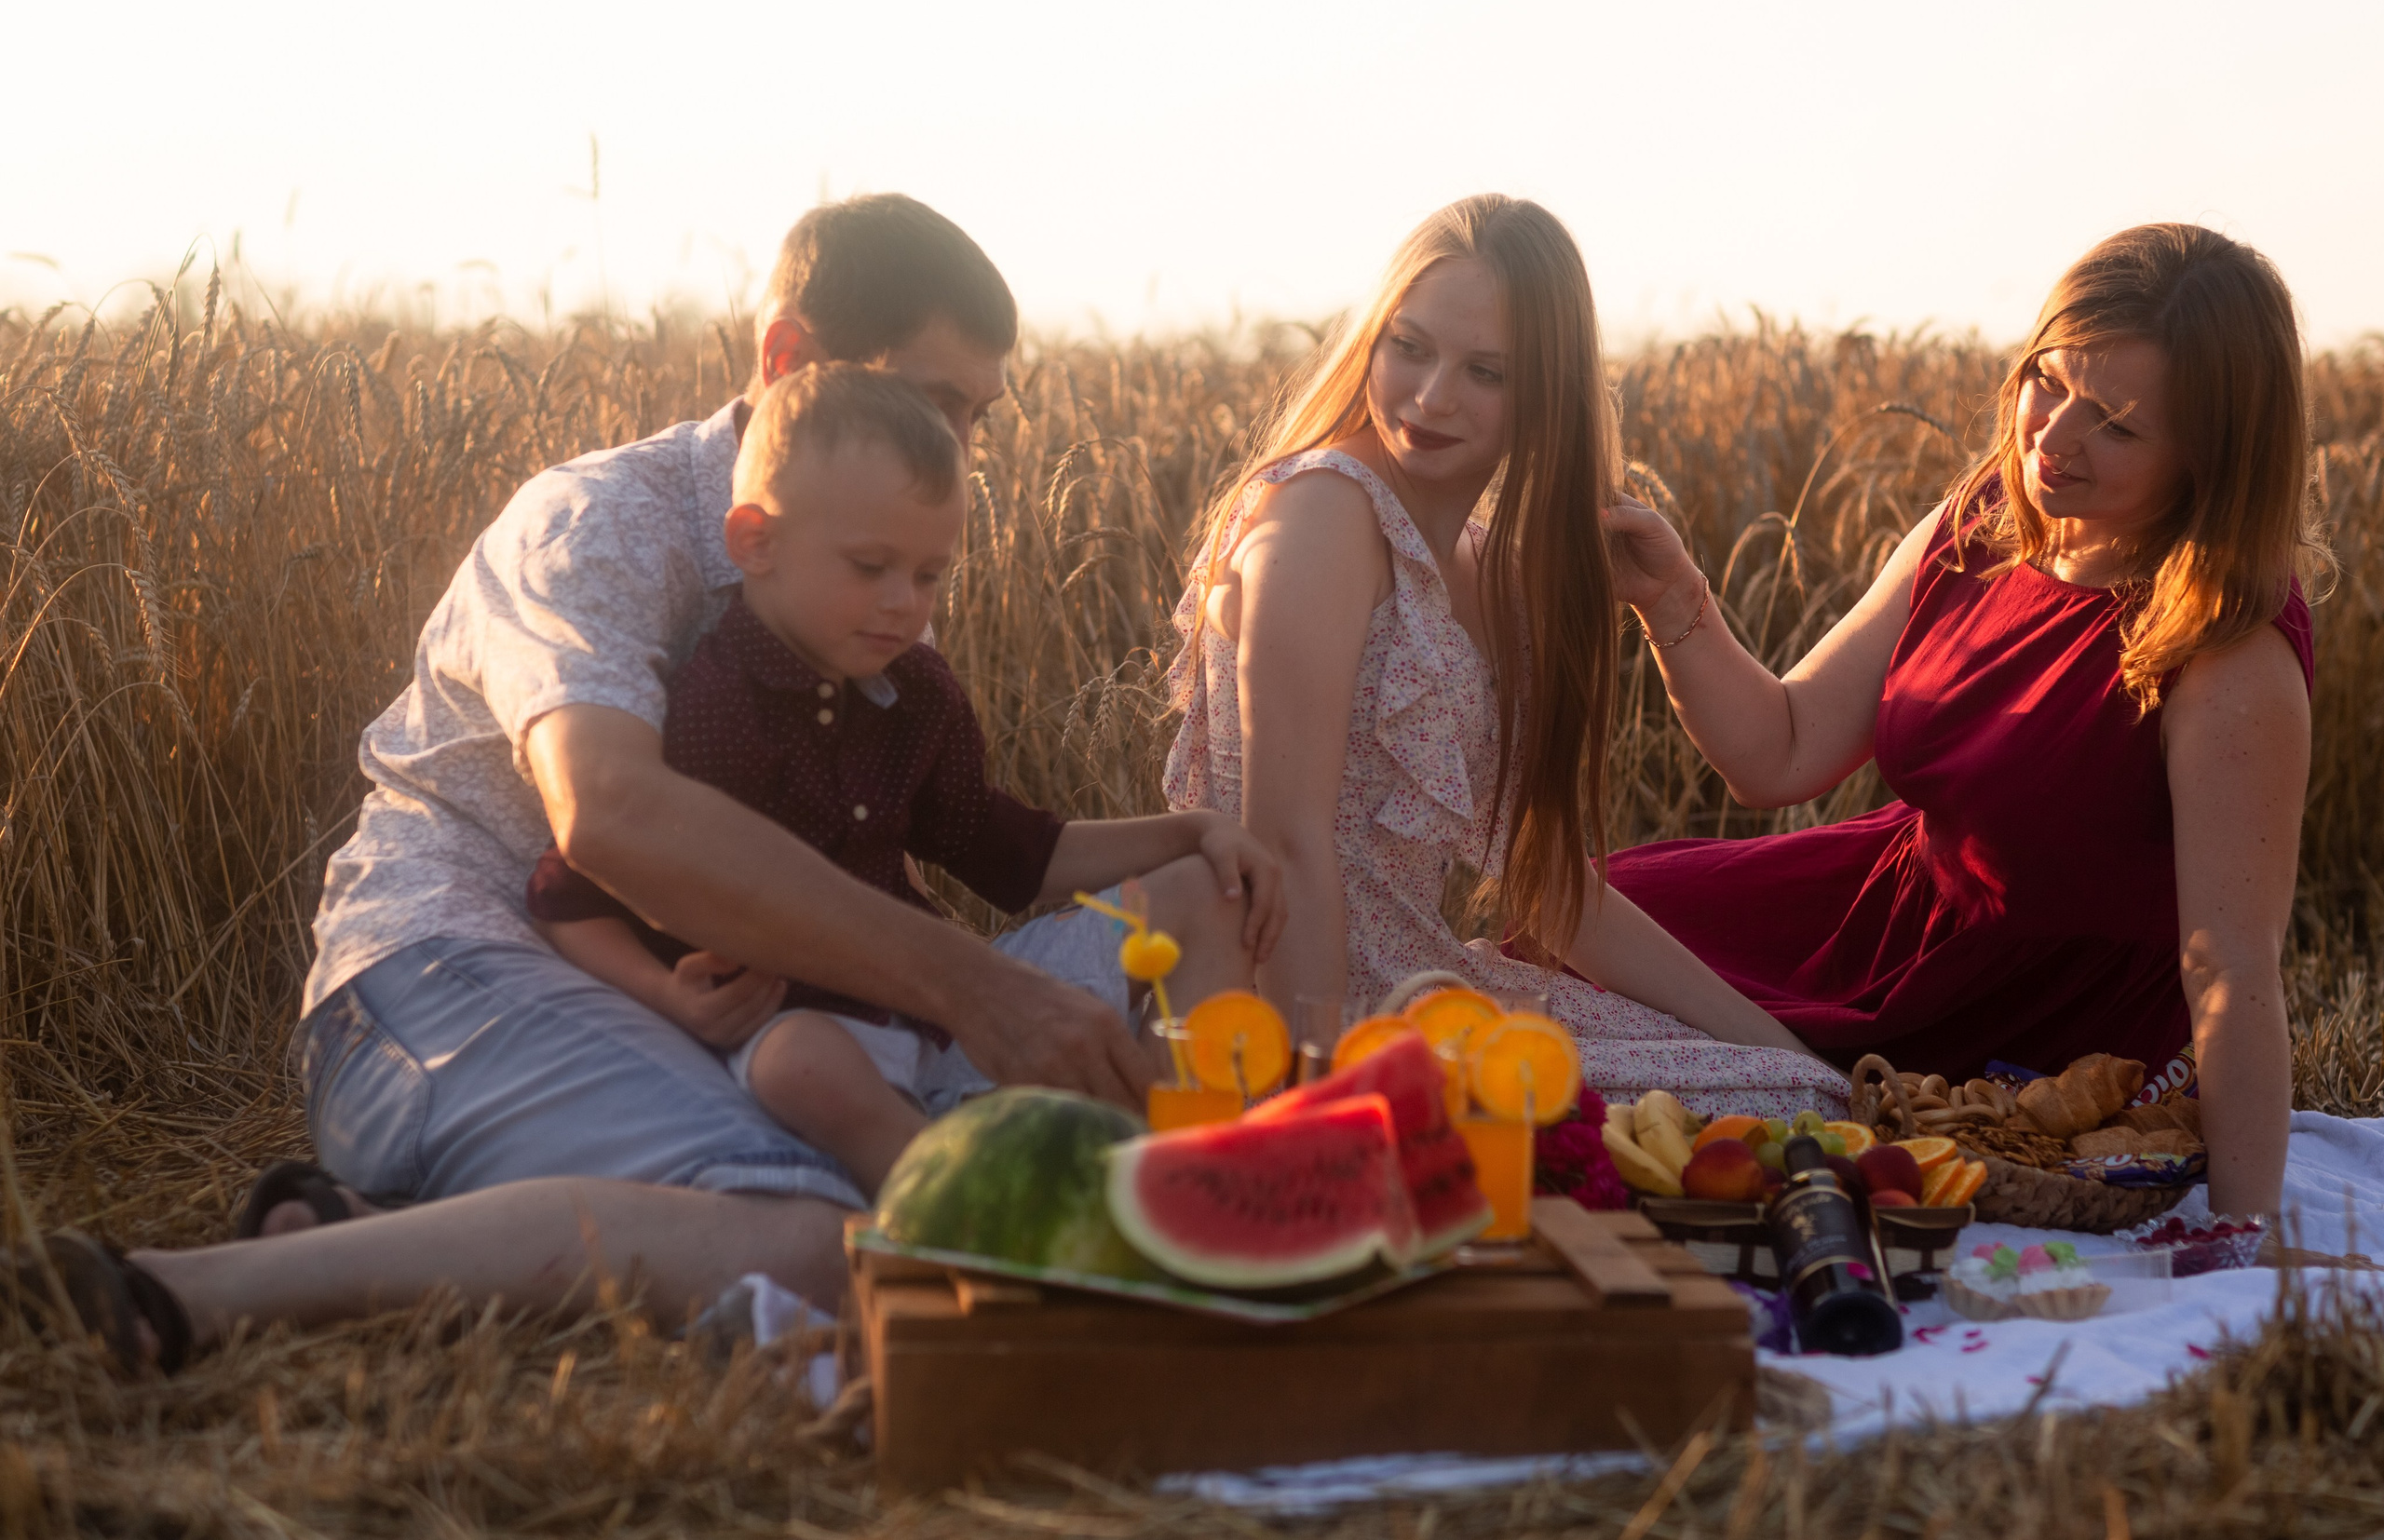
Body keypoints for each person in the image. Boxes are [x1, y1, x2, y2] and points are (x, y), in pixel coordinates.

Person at [8, 195, 1273, 1374]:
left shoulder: (871, 565)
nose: (963, 450)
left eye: (982, 419)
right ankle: (186, 1288)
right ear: (786, 357)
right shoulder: (597, 524)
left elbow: (946, 839)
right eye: (940, 402)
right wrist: (971, 986)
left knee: (1181, 893)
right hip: (457, 974)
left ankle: (1226, 1220)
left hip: (726, 1013)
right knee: (821, 1241)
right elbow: (607, 817)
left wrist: (1169, 851)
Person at [1595, 223, 2321, 1216]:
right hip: (1880, 918)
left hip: (2028, 1015)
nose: (2052, 437)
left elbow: (2231, 965)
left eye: (2113, 422)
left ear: (2209, 456)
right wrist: (1670, 599)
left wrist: (2246, 1232)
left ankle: (1802, 1080)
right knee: (1576, 913)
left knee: (1599, 1048)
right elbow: (1779, 748)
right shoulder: (1977, 523)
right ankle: (1793, 1070)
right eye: (2047, 382)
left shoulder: (2227, 647)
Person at [1164, 194, 1850, 1116]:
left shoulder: (1487, 568)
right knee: (1748, 1113)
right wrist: (1314, 1105)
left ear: (1542, 397)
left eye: (1485, 370)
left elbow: (1553, 887)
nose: (1432, 395)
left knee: (1793, 1097)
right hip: (1280, 1006)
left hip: (1418, 995)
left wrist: (1779, 1048)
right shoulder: (1325, 513)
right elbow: (1284, 844)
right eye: (1408, 346)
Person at [526, 361, 1276, 1196]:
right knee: (798, 1064)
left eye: (928, 575)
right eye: (870, 566)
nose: (903, 604)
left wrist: (1187, 831)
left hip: (950, 1021)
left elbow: (1003, 851)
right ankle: (951, 1204)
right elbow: (569, 891)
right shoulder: (710, 708)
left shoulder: (917, 694)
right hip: (809, 1037)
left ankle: (1186, 1163)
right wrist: (667, 994)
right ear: (754, 542)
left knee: (1208, 892)